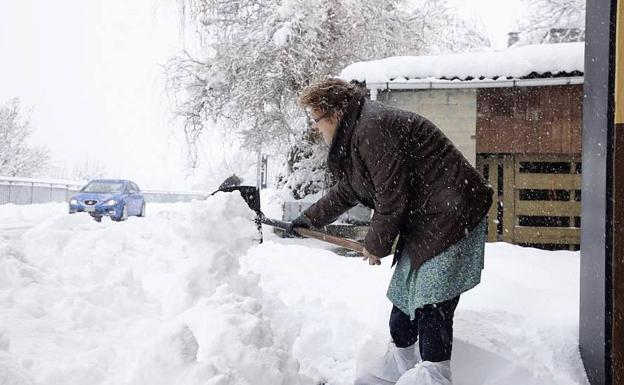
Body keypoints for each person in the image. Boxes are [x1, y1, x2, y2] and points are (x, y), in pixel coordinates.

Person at [288, 78, 493, 385]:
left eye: (316, 121)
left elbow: (391, 194)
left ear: (333, 113)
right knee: (405, 299)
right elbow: (348, 190)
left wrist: (376, 243)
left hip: (453, 213)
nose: (316, 129)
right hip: (428, 219)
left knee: (431, 299)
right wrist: (307, 220)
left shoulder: (371, 128)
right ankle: (399, 366)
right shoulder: (358, 132)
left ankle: (435, 376)